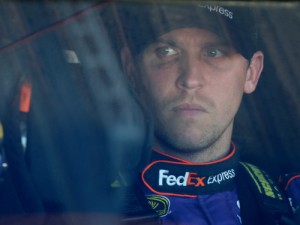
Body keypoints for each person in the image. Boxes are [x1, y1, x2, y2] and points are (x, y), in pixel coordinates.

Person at [116, 1, 300, 224]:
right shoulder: (79, 203)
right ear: (131, 71)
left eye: (214, 52)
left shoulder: (292, 199)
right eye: (166, 51)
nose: (190, 80)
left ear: (251, 73)